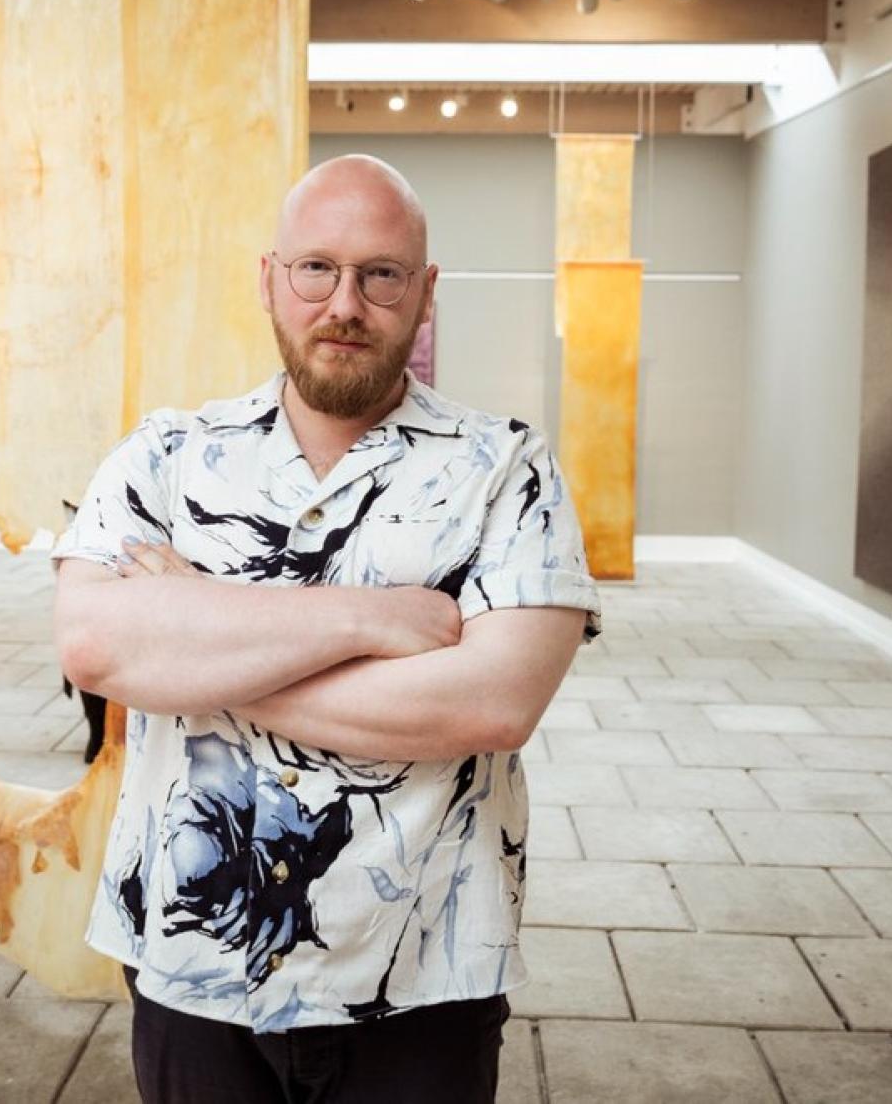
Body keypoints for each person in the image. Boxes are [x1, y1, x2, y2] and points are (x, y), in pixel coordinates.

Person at [51, 154, 601, 1103]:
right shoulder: (168, 457)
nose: (344, 302)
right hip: (192, 966)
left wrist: (199, 634)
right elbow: (97, 646)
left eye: (380, 275)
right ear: (271, 277)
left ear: (425, 293)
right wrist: (373, 619)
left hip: (423, 976)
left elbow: (494, 703)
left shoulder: (507, 468)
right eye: (317, 268)